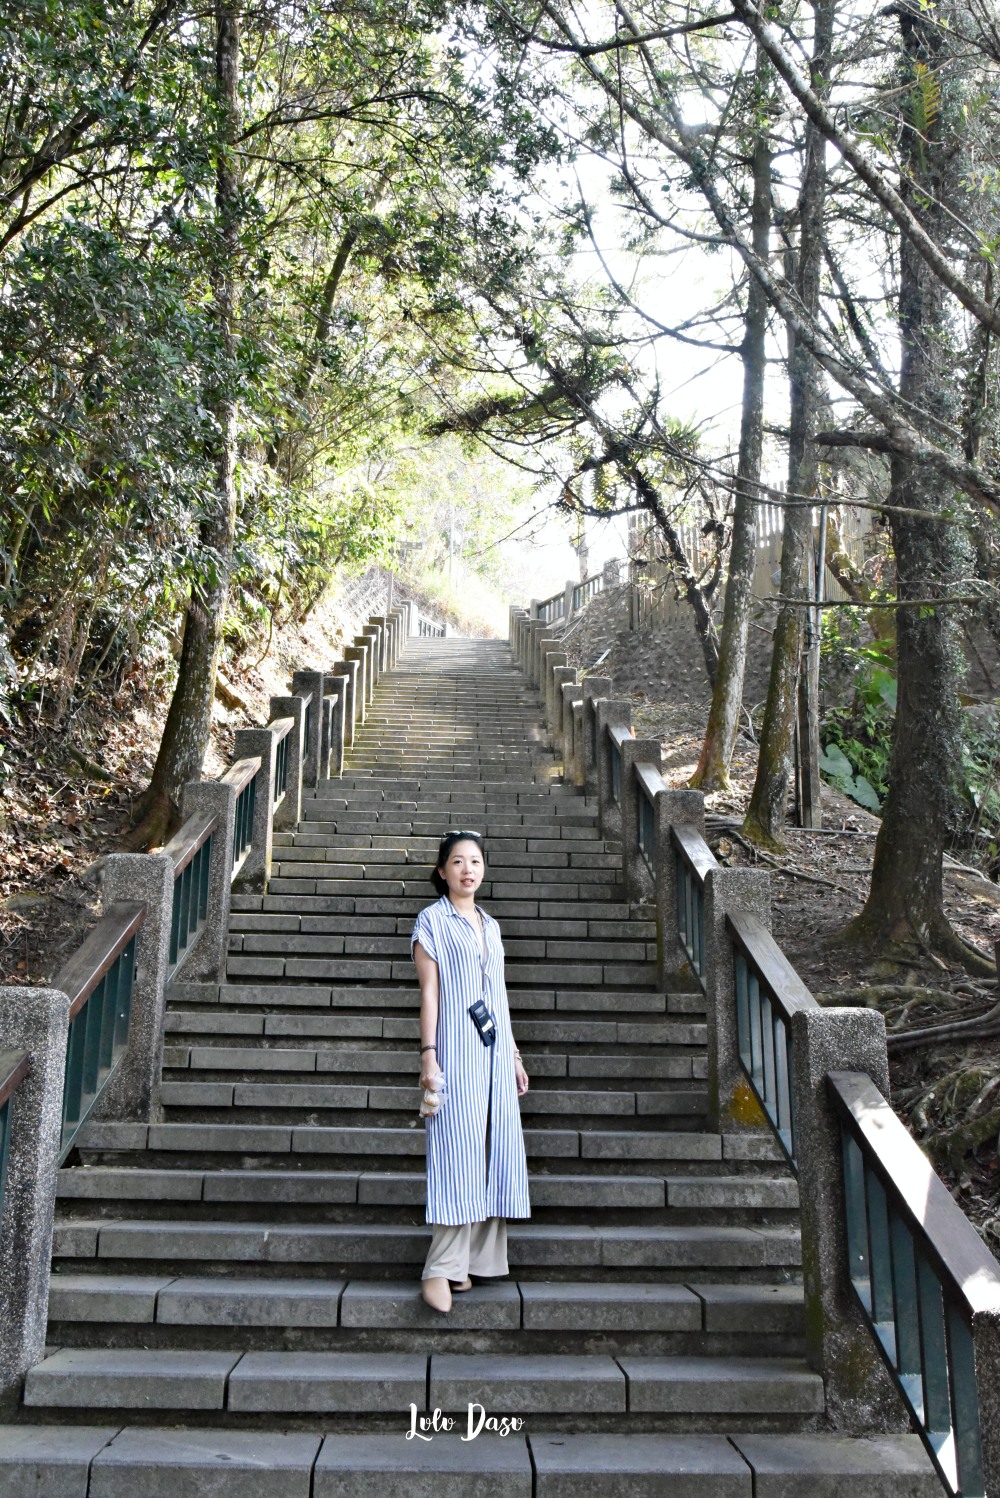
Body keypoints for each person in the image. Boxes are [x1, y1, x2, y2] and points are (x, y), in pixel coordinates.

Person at [410, 831, 530, 1314]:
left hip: (495, 1053)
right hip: (455, 1052)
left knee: (493, 1147)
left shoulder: (491, 926)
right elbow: (429, 994)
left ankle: (472, 1262)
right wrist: (428, 1055)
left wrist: (516, 1056)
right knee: (456, 1150)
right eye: (457, 861)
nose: (467, 869)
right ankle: (439, 1266)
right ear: (442, 871)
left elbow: (498, 997)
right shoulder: (430, 921)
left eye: (475, 861)